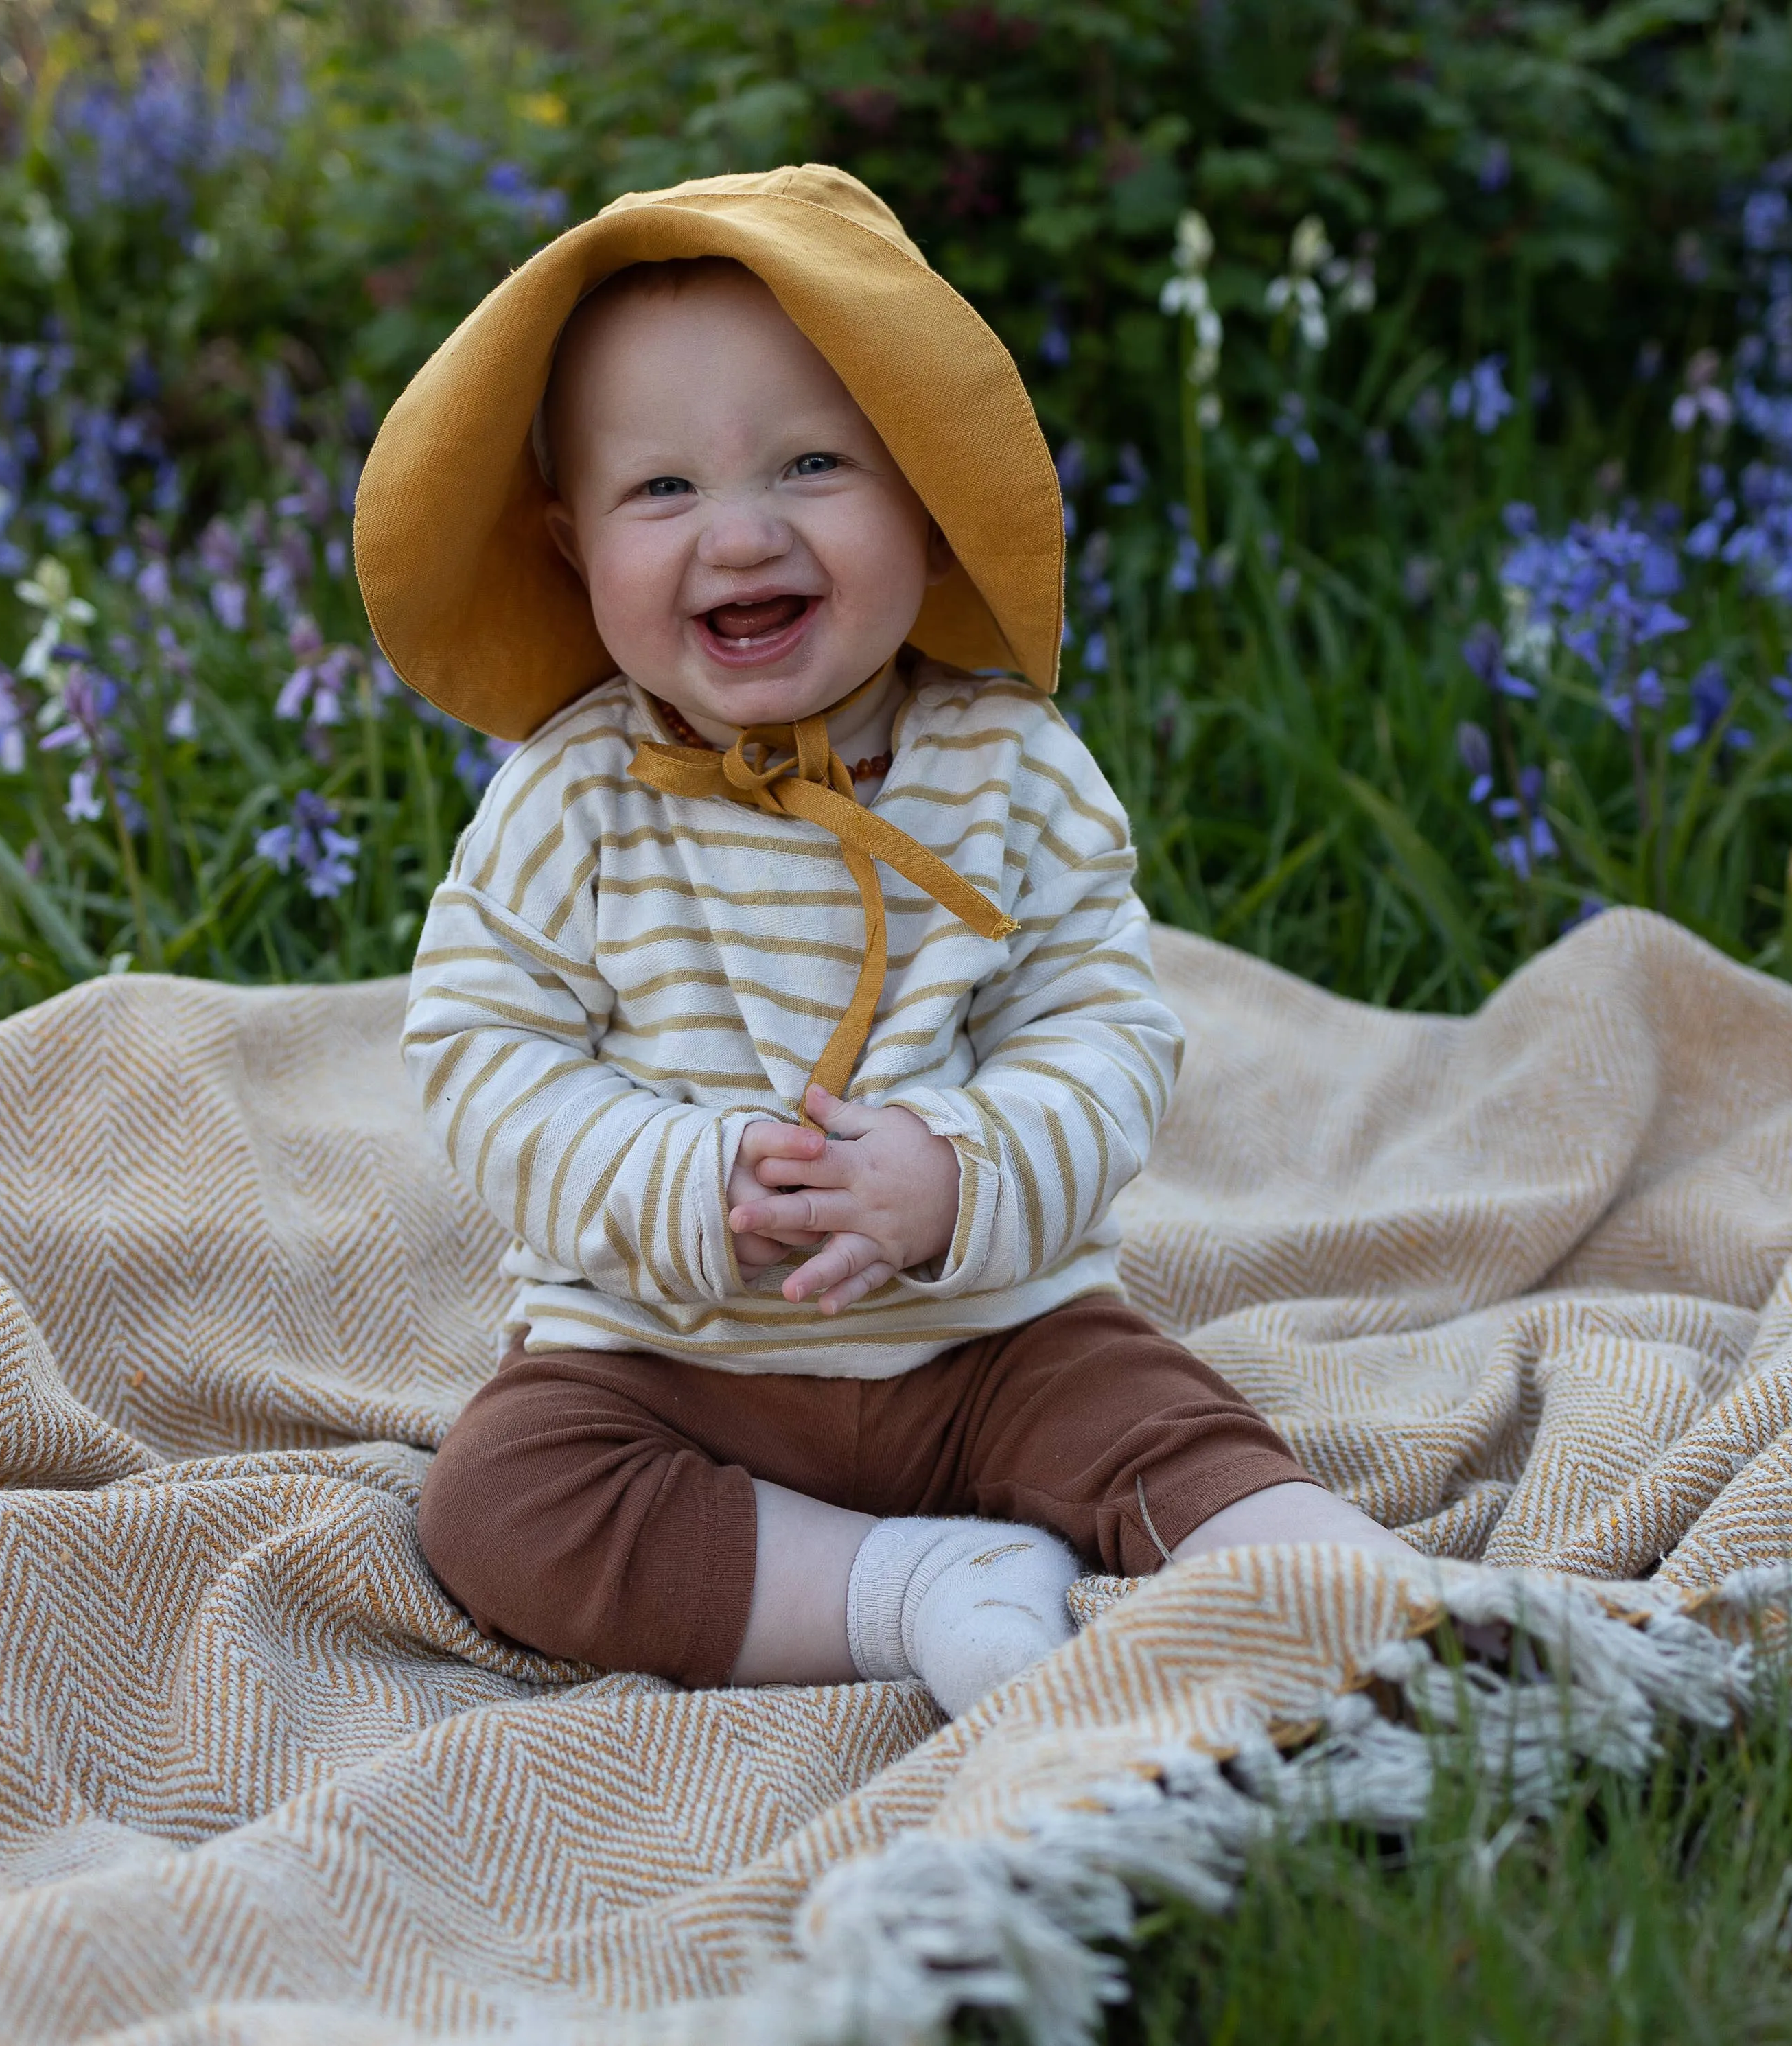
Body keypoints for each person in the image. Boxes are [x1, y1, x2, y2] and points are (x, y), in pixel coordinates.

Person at [358, 165, 1407, 1717]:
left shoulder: (1008, 764)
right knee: (498, 1501)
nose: (739, 532)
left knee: (1166, 1429)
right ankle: (915, 1584)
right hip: (669, 1355)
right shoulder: (570, 795)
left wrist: (958, 1168)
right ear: (574, 549)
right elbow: (479, 1043)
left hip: (988, 1335)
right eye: (661, 491)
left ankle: (1396, 1614)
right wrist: (677, 1179)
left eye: (809, 463)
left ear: (922, 490)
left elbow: (1104, 1028)